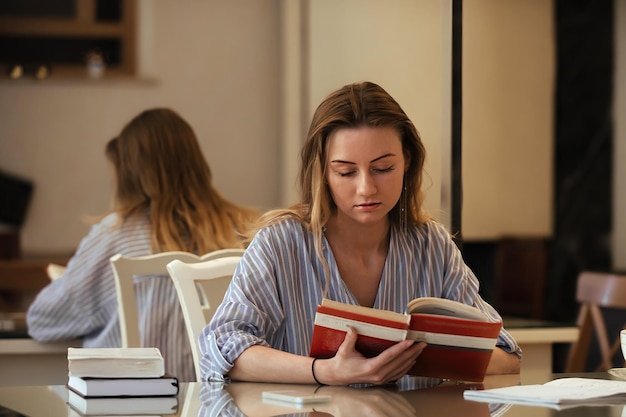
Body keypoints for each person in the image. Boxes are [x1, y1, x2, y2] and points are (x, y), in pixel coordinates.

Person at [199, 81, 522, 386]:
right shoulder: (280, 244)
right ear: (323, 172)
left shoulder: (432, 247)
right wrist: (325, 371)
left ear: (407, 160)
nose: (366, 188)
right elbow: (223, 352)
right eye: (346, 172)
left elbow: (507, 357)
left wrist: (417, 357)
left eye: (383, 169)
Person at [27, 108, 258, 382]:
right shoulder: (248, 230)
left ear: (130, 174)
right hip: (216, 403)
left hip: (131, 402)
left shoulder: (114, 236)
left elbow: (43, 321)